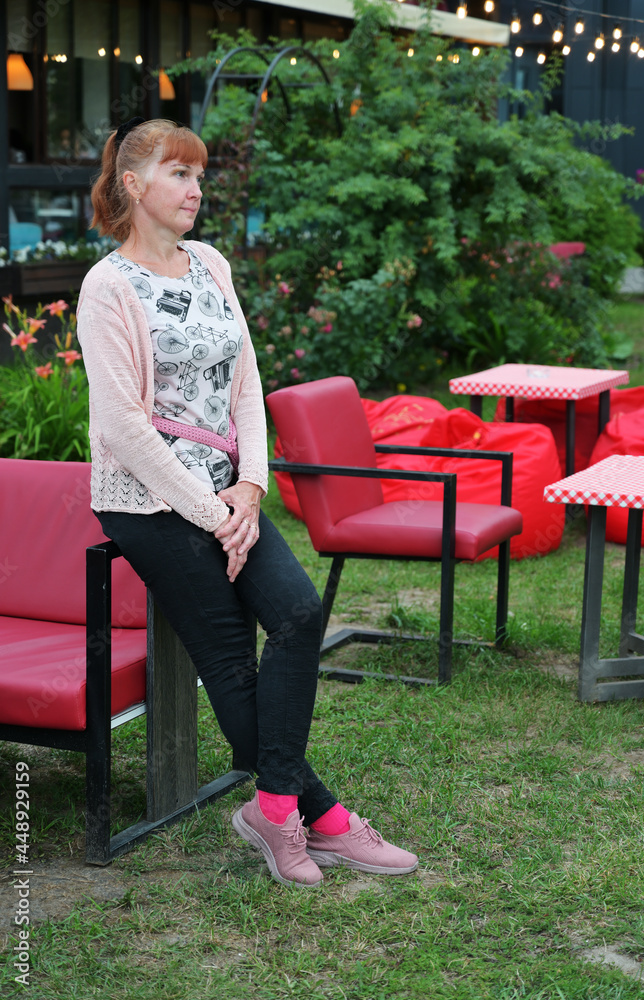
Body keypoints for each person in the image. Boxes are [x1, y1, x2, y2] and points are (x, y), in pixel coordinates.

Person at [77, 117, 418, 887]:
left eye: (199, 176)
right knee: (230, 661)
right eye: (179, 175)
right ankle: (320, 818)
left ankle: (273, 807)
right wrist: (212, 512)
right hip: (148, 501)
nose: (197, 190)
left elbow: (245, 389)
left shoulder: (210, 264)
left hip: (229, 494)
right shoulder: (107, 287)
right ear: (134, 186)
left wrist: (252, 491)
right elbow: (122, 427)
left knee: (297, 613)